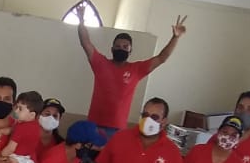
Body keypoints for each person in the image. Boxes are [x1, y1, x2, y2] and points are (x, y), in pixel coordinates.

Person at [75, 8, 188, 138]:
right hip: (93, 126)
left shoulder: (136, 70)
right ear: (112, 49)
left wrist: (175, 37)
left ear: (130, 51)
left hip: (117, 130)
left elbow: (161, 58)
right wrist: (81, 21)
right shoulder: (101, 64)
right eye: (118, 46)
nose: (121, 49)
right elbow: (86, 43)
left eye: (125, 47)